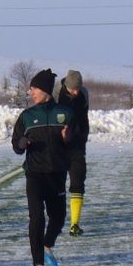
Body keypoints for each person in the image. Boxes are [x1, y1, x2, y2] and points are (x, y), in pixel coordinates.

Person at [12, 69, 74, 266]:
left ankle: (47, 245)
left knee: (58, 217)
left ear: (45, 91)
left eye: (34, 89)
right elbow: (16, 145)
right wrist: (22, 143)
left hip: (57, 174)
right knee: (37, 218)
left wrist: (68, 138)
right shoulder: (27, 116)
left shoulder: (64, 113)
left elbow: (75, 143)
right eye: (30, 89)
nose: (31, 93)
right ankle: (37, 264)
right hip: (35, 175)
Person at [54, 70, 89, 236]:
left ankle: (75, 223)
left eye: (78, 88)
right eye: (73, 89)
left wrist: (82, 137)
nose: (76, 92)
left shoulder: (84, 94)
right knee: (55, 185)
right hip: (58, 147)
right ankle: (55, 221)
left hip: (77, 146)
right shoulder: (56, 93)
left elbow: (84, 118)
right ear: (67, 86)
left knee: (78, 181)